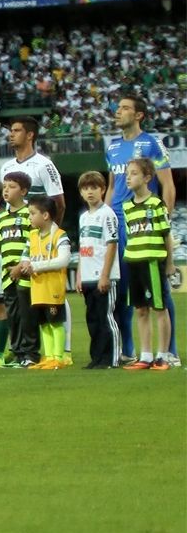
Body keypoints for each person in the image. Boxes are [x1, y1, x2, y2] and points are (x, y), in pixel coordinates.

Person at [105, 93, 176, 365]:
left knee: (160, 293)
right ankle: (130, 350)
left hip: (144, 222)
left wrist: (164, 221)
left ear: (138, 115)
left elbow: (167, 184)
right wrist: (107, 220)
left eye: (124, 108)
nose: (118, 112)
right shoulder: (112, 148)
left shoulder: (151, 144)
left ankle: (169, 351)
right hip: (121, 222)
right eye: (118, 108)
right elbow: (112, 187)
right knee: (123, 290)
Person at [1, 115, 69, 361]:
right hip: (17, 242)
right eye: (11, 130)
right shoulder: (6, 167)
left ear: (30, 135)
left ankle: (63, 350)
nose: (11, 134)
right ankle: (21, 349)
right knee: (20, 303)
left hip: (40, 241)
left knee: (52, 296)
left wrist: (48, 237)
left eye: (16, 130)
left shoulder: (44, 165)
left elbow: (59, 203)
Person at [119, 157, 176, 371]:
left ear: (147, 178)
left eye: (133, 173)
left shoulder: (156, 204)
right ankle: (145, 355)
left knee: (159, 308)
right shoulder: (127, 207)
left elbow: (166, 235)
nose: (128, 177)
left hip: (153, 261)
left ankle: (162, 355)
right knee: (140, 309)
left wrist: (169, 263)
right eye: (127, 173)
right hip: (133, 261)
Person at [0, 173, 35, 368]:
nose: (6, 190)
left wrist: (22, 264)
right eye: (5, 186)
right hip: (6, 274)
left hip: (25, 272)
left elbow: (34, 240)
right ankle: (19, 353)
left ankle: (30, 354)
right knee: (13, 316)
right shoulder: (2, 218)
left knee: (26, 315)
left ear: (24, 191)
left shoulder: (30, 213)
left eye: (11, 186)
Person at [11, 199, 71, 371]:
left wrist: (35, 266)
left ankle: (58, 357)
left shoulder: (60, 235)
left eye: (32, 213)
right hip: (37, 287)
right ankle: (49, 356)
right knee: (44, 323)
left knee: (55, 322)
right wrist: (23, 265)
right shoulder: (32, 235)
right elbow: (25, 256)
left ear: (45, 215)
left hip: (53, 287)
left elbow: (64, 260)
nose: (29, 217)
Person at [75, 171, 120, 369]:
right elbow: (83, 247)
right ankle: (97, 358)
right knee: (92, 320)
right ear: (81, 193)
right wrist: (79, 275)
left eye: (94, 188)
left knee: (106, 319)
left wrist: (105, 275)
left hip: (103, 276)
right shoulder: (84, 217)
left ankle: (111, 358)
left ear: (102, 190)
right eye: (85, 188)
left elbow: (111, 244)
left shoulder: (107, 214)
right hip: (87, 276)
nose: (90, 192)